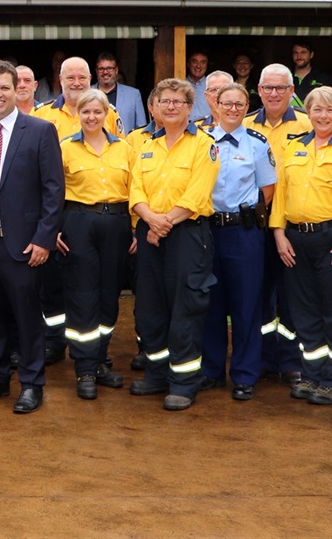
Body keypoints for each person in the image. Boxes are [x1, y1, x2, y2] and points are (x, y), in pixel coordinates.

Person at [0, 61, 63, 413]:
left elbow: (54, 190)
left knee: (27, 318)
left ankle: (32, 384)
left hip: (23, 244)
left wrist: (44, 239)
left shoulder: (39, 130)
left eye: (5, 87)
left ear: (18, 89)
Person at [270, 86, 332, 406]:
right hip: (296, 239)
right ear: (307, 113)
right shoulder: (296, 147)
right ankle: (312, 375)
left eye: (329, 110)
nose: (323, 115)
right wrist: (279, 232)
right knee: (305, 311)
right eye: (316, 110)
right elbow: (282, 192)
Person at [129, 78, 220, 411]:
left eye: (177, 102)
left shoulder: (204, 145)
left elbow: (197, 193)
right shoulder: (144, 145)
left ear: (188, 107)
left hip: (186, 235)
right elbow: (134, 187)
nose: (170, 107)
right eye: (164, 101)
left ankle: (183, 382)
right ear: (154, 106)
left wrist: (162, 222)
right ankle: (156, 375)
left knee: (186, 307)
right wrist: (150, 220)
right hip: (150, 232)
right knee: (151, 308)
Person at [32, 56, 122, 364]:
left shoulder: (110, 114)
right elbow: (38, 175)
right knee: (53, 287)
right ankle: (54, 342)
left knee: (93, 287)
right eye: (70, 77)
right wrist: (49, 224)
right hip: (60, 215)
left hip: (98, 216)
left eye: (82, 77)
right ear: (59, 79)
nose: (76, 82)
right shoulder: (41, 114)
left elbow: (116, 160)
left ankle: (94, 351)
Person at [55, 89, 134, 400]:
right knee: (82, 295)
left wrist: (137, 231)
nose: (91, 117)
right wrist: (53, 230)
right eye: (85, 111)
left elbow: (138, 190)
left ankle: (100, 360)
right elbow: (51, 192)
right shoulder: (64, 148)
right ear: (78, 115)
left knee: (109, 295)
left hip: (117, 223)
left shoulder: (125, 149)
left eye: (97, 112)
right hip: (78, 223)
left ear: (107, 115)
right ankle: (84, 368)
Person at [200, 83, 276, 401]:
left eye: (239, 104)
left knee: (247, 305)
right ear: (215, 105)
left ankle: (245, 374)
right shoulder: (201, 141)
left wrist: (244, 215)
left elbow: (268, 190)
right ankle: (211, 371)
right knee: (210, 303)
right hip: (207, 230)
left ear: (247, 107)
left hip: (243, 233)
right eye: (227, 103)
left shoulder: (258, 143)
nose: (233, 109)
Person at [245, 63, 314, 387]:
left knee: (291, 294)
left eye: (280, 88)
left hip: (291, 221)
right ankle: (260, 358)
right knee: (256, 293)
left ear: (291, 91)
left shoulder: (308, 123)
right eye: (268, 88)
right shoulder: (242, 124)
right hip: (253, 222)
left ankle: (291, 361)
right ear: (258, 91)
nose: (273, 93)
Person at [93, 52, 147, 131]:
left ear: (116, 70)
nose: (105, 72)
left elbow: (141, 130)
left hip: (125, 143)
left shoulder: (133, 95)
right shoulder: (86, 93)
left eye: (109, 68)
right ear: (96, 71)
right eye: (101, 69)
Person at [290, 40, 332, 105]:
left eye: (303, 52)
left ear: (311, 55)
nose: (299, 56)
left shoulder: (325, 79)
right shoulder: (285, 79)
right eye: (296, 53)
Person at [188, 50, 212, 120]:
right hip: (185, 129)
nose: (198, 66)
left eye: (203, 62)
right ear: (188, 64)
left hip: (207, 128)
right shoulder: (180, 84)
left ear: (207, 66)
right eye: (194, 61)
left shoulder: (212, 85)